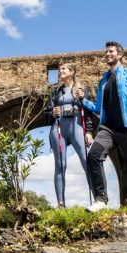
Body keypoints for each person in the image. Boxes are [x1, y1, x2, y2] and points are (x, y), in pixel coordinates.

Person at [77, 41, 127, 219]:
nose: (108, 54)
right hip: (108, 128)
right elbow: (99, 108)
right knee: (94, 155)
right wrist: (82, 101)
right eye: (106, 52)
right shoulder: (104, 80)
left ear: (120, 54)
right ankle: (101, 200)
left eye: (111, 51)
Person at [46, 63, 94, 208]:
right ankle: (61, 204)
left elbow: (89, 112)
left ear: (72, 72)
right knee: (60, 165)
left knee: (88, 162)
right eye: (59, 70)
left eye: (63, 69)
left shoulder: (82, 89)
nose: (60, 72)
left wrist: (89, 132)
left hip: (77, 126)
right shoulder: (55, 93)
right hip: (58, 128)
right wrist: (52, 113)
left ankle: (99, 199)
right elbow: (47, 113)